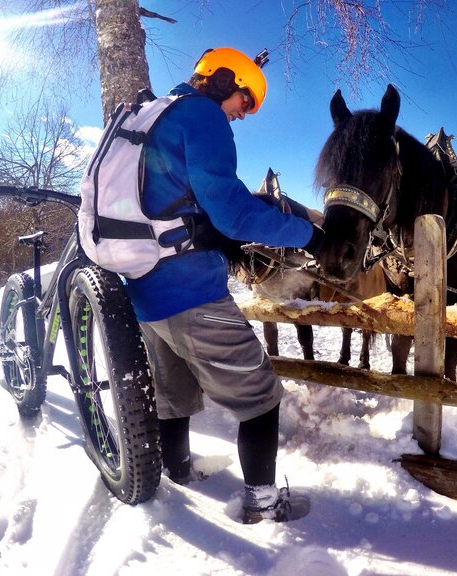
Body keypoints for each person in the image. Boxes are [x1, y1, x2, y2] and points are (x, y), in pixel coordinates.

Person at [125, 47, 323, 523]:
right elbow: (233, 213)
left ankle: (178, 471)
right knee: (259, 395)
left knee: (172, 393)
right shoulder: (201, 116)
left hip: (143, 288)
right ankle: (262, 504)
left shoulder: (150, 114)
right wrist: (307, 232)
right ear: (222, 80)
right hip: (190, 289)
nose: (242, 114)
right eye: (244, 101)